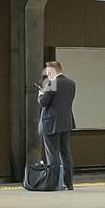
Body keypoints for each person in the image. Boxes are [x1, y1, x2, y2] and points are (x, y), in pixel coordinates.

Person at [37, 60, 77, 190]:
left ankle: (53, 183)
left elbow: (44, 102)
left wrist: (41, 94)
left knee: (52, 153)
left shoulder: (52, 84)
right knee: (65, 152)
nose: (47, 75)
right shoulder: (71, 83)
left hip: (51, 123)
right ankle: (68, 183)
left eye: (49, 72)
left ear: (54, 71)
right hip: (66, 122)